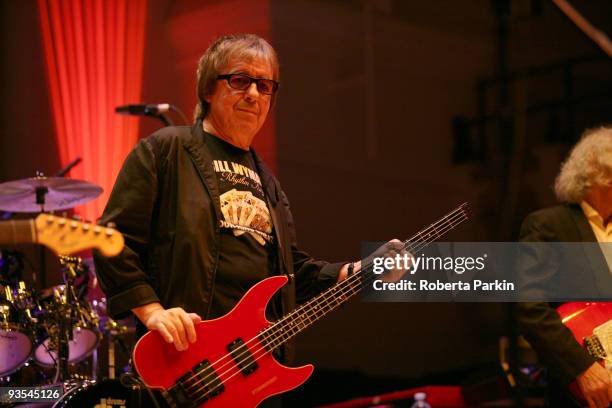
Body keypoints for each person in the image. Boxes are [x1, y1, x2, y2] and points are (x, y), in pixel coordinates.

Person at [92, 33, 403, 401]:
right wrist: (154, 312)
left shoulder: (268, 184)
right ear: (209, 89)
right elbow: (112, 239)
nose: (254, 94)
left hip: (251, 377)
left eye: (265, 85)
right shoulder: (166, 150)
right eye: (240, 80)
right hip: (185, 368)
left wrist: (355, 271)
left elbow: (289, 275)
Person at [518, 126, 612, 408]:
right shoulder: (549, 225)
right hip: (583, 390)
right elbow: (527, 306)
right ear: (602, 172)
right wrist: (582, 368)